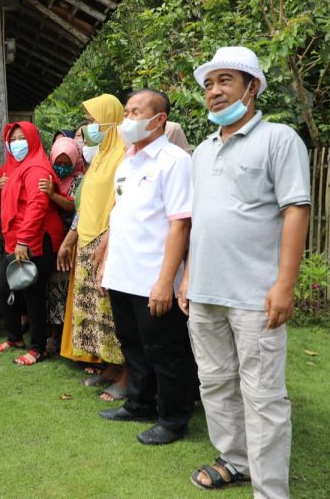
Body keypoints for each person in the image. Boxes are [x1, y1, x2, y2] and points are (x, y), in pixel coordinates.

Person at [179, 46, 310, 498]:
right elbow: (202, 222)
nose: (214, 92)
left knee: (263, 396)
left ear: (252, 87)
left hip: (256, 294)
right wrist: (189, 277)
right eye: (209, 85)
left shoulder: (279, 139)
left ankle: (271, 490)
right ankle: (235, 461)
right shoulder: (202, 150)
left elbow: (296, 210)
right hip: (206, 291)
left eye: (225, 82)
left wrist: (284, 285)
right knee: (214, 383)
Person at [97, 89, 196, 446]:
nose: (128, 120)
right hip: (124, 273)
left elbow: (180, 224)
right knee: (133, 345)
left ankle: (173, 418)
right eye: (126, 112)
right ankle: (140, 403)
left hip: (154, 276)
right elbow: (121, 215)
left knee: (166, 351)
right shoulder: (129, 161)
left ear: (159, 119)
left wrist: (166, 281)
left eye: (135, 112)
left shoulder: (174, 160)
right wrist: (108, 264)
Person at [56, 94, 128, 402]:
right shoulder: (99, 157)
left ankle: (127, 376)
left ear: (112, 119)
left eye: (93, 121)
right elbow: (85, 206)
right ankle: (110, 367)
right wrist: (70, 242)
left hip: (109, 243)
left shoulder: (124, 156)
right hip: (87, 242)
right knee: (96, 314)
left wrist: (106, 244)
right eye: (87, 121)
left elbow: (122, 205)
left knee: (114, 314)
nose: (89, 127)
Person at [0, 121, 64, 364]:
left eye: (22, 138)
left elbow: (36, 206)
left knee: (33, 293)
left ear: (32, 140)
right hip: (15, 239)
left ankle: (38, 347)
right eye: (12, 139)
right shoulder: (13, 169)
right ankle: (15, 337)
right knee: (7, 287)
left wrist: (24, 240)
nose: (16, 143)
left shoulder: (36, 168)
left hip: (35, 238)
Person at [43, 137, 84, 353]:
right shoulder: (49, 177)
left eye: (67, 163)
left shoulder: (80, 181)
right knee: (52, 289)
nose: (62, 167)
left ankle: (66, 338)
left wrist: (52, 195)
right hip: (52, 239)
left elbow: (72, 206)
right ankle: (54, 336)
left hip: (72, 241)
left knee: (66, 289)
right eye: (58, 161)